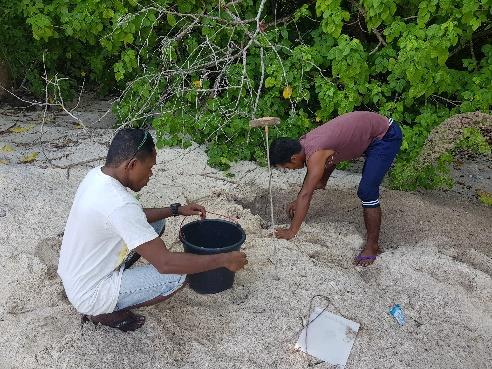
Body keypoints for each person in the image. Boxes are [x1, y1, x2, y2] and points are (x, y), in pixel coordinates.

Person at [57, 128, 248, 332]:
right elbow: (166, 263)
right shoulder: (120, 204)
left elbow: (129, 218)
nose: (151, 174)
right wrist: (223, 259)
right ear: (132, 165)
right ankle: (105, 310)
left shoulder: (97, 176)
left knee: (156, 225)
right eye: (149, 168)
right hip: (90, 293)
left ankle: (116, 282)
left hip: (75, 273)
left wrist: (175, 210)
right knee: (177, 277)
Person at [269, 111, 402, 266]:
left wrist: (291, 231)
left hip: (385, 135)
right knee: (315, 183)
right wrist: (298, 200)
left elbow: (306, 194)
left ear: (293, 158)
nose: (289, 170)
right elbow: (315, 181)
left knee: (367, 191)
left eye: (286, 167)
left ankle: (372, 246)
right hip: (370, 134)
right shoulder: (304, 143)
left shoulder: (315, 154)